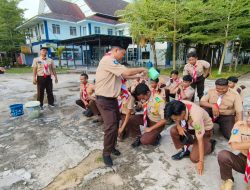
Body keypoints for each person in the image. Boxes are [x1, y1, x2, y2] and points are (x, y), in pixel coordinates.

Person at [95, 44, 147, 166]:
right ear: (116, 50)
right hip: (104, 99)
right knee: (110, 127)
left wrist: (138, 76)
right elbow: (126, 71)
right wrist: (142, 68)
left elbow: (123, 75)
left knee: (115, 123)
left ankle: (111, 147)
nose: (123, 56)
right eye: (123, 53)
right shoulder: (108, 60)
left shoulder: (111, 61)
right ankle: (106, 153)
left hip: (112, 99)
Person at [165, 100, 216, 175]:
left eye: (176, 119)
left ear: (182, 113)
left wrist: (201, 161)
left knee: (194, 158)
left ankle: (210, 144)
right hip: (190, 126)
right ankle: (185, 150)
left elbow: (200, 139)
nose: (175, 120)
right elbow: (176, 119)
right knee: (173, 130)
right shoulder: (178, 105)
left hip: (205, 130)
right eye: (174, 119)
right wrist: (178, 126)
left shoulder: (196, 116)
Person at [218, 111, 250, 190]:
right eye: (249, 114)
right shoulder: (240, 125)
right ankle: (228, 180)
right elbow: (234, 145)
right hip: (244, 159)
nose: (248, 119)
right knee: (223, 155)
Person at [129, 83, 167, 148]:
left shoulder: (159, 101)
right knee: (131, 118)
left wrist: (150, 128)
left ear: (148, 92)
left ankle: (156, 137)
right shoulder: (146, 97)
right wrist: (140, 106)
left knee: (144, 141)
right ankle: (138, 136)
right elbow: (144, 104)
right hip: (148, 119)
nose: (142, 99)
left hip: (157, 124)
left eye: (143, 97)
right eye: (140, 98)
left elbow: (164, 120)